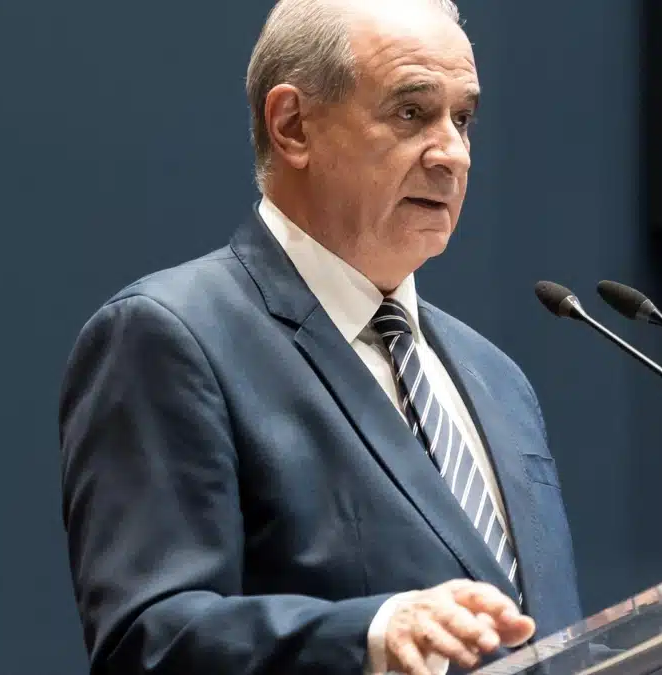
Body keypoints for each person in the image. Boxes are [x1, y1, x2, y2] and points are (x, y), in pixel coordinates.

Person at [57, 1, 582, 673]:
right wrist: (372, 634)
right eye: (412, 112)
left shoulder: (498, 379)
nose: (452, 153)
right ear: (292, 126)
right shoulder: (169, 337)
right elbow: (149, 639)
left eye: (463, 119)